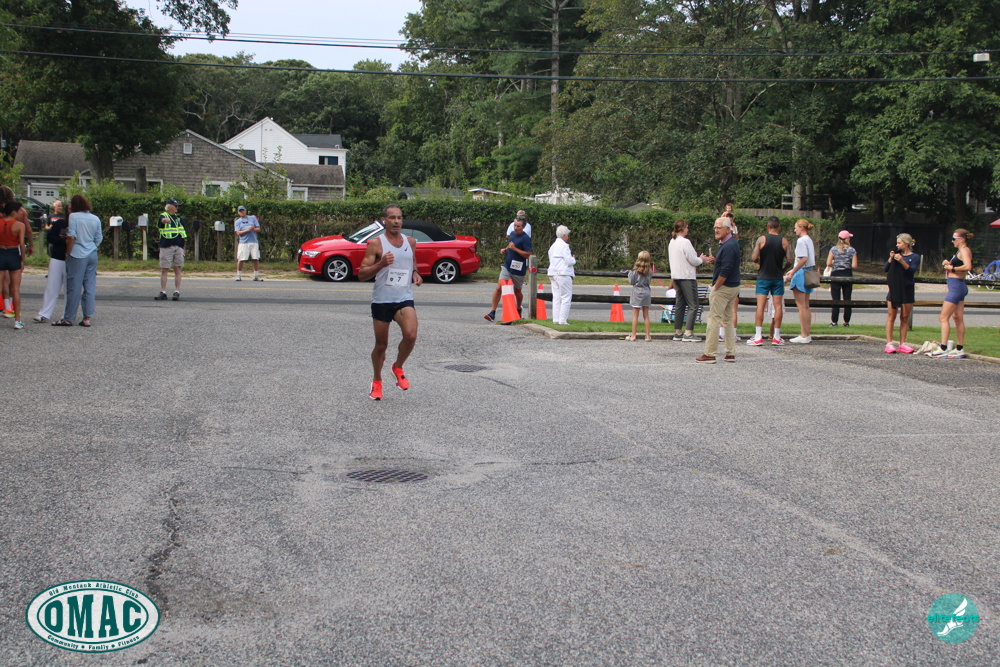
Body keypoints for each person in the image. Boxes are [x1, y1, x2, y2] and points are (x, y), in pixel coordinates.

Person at [358, 205, 422, 400]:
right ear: (384, 220)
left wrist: (415, 272)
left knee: (411, 335)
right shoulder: (376, 244)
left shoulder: (410, 242)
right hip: (382, 300)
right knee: (381, 345)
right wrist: (381, 264)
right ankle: (377, 381)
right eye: (392, 218)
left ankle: (398, 367)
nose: (396, 221)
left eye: (399, 218)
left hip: (403, 297)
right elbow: (361, 274)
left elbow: (412, 260)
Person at [52, 194, 103, 327]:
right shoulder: (95, 218)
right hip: (92, 253)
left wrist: (67, 253)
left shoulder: (74, 217)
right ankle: (87, 317)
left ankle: (68, 318)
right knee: (89, 286)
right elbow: (99, 237)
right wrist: (92, 246)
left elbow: (71, 237)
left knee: (74, 287)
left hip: (77, 253)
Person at [696, 218, 741, 363]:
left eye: (719, 227)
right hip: (733, 286)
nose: (716, 230)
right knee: (727, 320)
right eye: (715, 227)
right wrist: (717, 262)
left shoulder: (728, 246)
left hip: (724, 287)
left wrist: (716, 287)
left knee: (713, 319)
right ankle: (730, 353)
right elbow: (728, 264)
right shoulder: (731, 243)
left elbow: (726, 270)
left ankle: (710, 353)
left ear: (728, 229)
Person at [928, 229, 974, 359]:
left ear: (961, 239)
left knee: (943, 317)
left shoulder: (964, 250)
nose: (952, 241)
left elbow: (968, 266)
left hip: (956, 286)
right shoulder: (960, 251)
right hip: (957, 285)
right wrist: (949, 263)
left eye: (954, 239)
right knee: (957, 318)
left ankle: (943, 347)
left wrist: (952, 268)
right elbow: (961, 265)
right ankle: (959, 348)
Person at [748, 216, 793, 346]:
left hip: (763, 276)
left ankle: (758, 336)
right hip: (777, 277)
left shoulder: (762, 239)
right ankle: (776, 337)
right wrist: (783, 269)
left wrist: (760, 262)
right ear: (778, 226)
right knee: (778, 306)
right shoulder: (784, 240)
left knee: (760, 306)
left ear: (768, 226)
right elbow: (790, 260)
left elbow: (754, 257)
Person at [667, 219, 712, 341]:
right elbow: (693, 260)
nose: (688, 229)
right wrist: (702, 259)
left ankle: (678, 331)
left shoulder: (672, 241)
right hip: (687, 276)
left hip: (676, 276)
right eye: (687, 227)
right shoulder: (685, 242)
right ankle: (688, 332)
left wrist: (698, 259)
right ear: (682, 228)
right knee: (693, 304)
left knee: (680, 304)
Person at [484, 217, 532, 322]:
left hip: (518, 269)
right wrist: (505, 250)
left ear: (523, 227)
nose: (515, 228)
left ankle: (518, 308)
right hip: (507, 266)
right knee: (499, 288)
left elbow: (528, 254)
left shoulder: (526, 238)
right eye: (514, 225)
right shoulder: (512, 234)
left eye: (518, 226)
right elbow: (510, 245)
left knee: (517, 291)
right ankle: (492, 313)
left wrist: (515, 249)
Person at [33, 199, 69, 323]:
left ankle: (67, 315)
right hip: (57, 257)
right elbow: (50, 237)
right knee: (51, 287)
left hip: (72, 259)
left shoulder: (78, 224)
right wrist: (63, 241)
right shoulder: (60, 223)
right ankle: (44, 313)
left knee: (69, 289)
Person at [884, 234, 920, 354]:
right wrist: (891, 259)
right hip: (895, 288)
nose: (897, 245)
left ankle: (903, 343)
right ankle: (889, 343)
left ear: (906, 243)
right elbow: (886, 269)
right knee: (891, 316)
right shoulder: (896, 254)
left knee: (905, 317)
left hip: (907, 288)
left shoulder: (914, 257)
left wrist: (902, 261)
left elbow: (911, 271)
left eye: (899, 243)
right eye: (897, 242)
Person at [0, 185, 32, 317]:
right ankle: (16, 316)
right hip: (15, 249)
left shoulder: (2, 214)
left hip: (2, 249)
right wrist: (29, 248)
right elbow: (28, 232)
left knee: (3, 279)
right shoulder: (21, 213)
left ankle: (6, 306)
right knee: (15, 284)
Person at [784, 219, 816, 344]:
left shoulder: (801, 240)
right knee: (806, 305)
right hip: (808, 271)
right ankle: (806, 333)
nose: (795, 230)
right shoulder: (809, 239)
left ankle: (804, 334)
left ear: (801, 227)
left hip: (801, 272)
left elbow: (803, 258)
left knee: (801, 306)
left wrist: (793, 271)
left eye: (796, 227)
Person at [0, 199, 27, 329]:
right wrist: (22, 260)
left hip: (1, 253)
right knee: (15, 289)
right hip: (13, 254)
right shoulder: (19, 225)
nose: (21, 213)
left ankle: (7, 310)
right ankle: (17, 320)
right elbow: (21, 244)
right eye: (19, 211)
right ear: (13, 212)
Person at [155, 198, 186, 301]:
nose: (177, 208)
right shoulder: (164, 216)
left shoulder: (178, 219)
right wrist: (164, 221)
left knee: (177, 268)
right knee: (164, 269)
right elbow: (162, 221)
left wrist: (183, 247)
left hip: (178, 246)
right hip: (166, 246)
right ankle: (163, 291)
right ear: (169, 206)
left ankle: (177, 291)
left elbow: (183, 233)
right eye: (175, 206)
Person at [827, 230, 858, 327]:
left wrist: (836, 264)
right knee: (847, 299)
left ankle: (834, 321)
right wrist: (846, 264)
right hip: (847, 274)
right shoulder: (852, 250)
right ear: (848, 239)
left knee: (835, 299)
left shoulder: (833, 249)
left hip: (836, 274)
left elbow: (828, 263)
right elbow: (854, 265)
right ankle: (846, 322)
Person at [547, 225, 576, 326]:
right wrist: (573, 259)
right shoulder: (564, 246)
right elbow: (569, 261)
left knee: (556, 297)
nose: (568, 236)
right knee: (566, 297)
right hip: (563, 273)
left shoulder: (552, 247)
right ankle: (563, 320)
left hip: (552, 273)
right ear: (564, 235)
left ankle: (556, 319)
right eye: (567, 235)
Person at [626, 250, 653, 341]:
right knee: (646, 315)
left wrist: (629, 273)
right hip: (646, 292)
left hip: (637, 292)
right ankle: (648, 335)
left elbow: (631, 281)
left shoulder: (635, 271)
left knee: (635, 315)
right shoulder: (649, 271)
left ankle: (633, 335)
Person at [234, 205, 263, 281]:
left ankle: (256, 276)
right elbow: (238, 232)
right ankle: (238, 275)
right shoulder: (238, 221)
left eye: (243, 210)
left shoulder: (252, 218)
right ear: (238, 212)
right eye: (240, 211)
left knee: (256, 258)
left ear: (245, 210)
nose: (242, 212)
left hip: (253, 241)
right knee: (241, 259)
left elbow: (258, 229)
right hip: (243, 242)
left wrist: (253, 229)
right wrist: (247, 230)